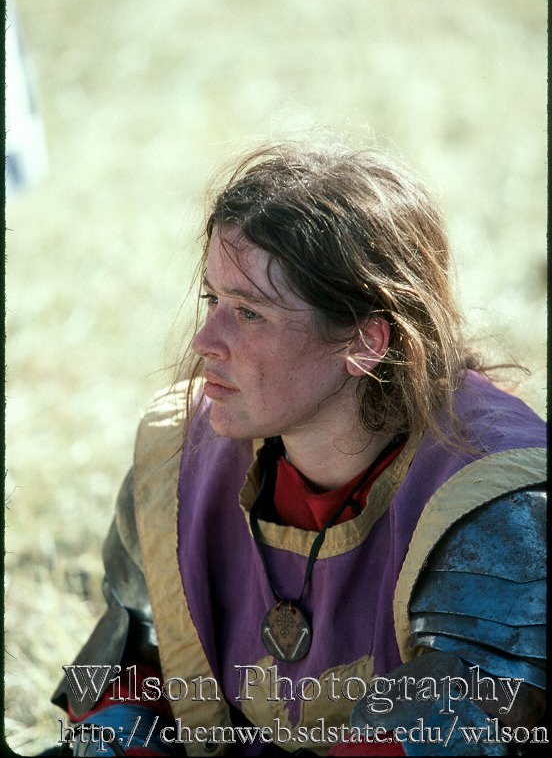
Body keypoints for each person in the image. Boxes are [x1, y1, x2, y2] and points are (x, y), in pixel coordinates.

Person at [49, 142, 546, 757]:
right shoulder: (179, 467)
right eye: (212, 300)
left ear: (364, 342)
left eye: (249, 313)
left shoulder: (493, 505)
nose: (205, 341)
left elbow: (453, 730)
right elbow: (127, 673)